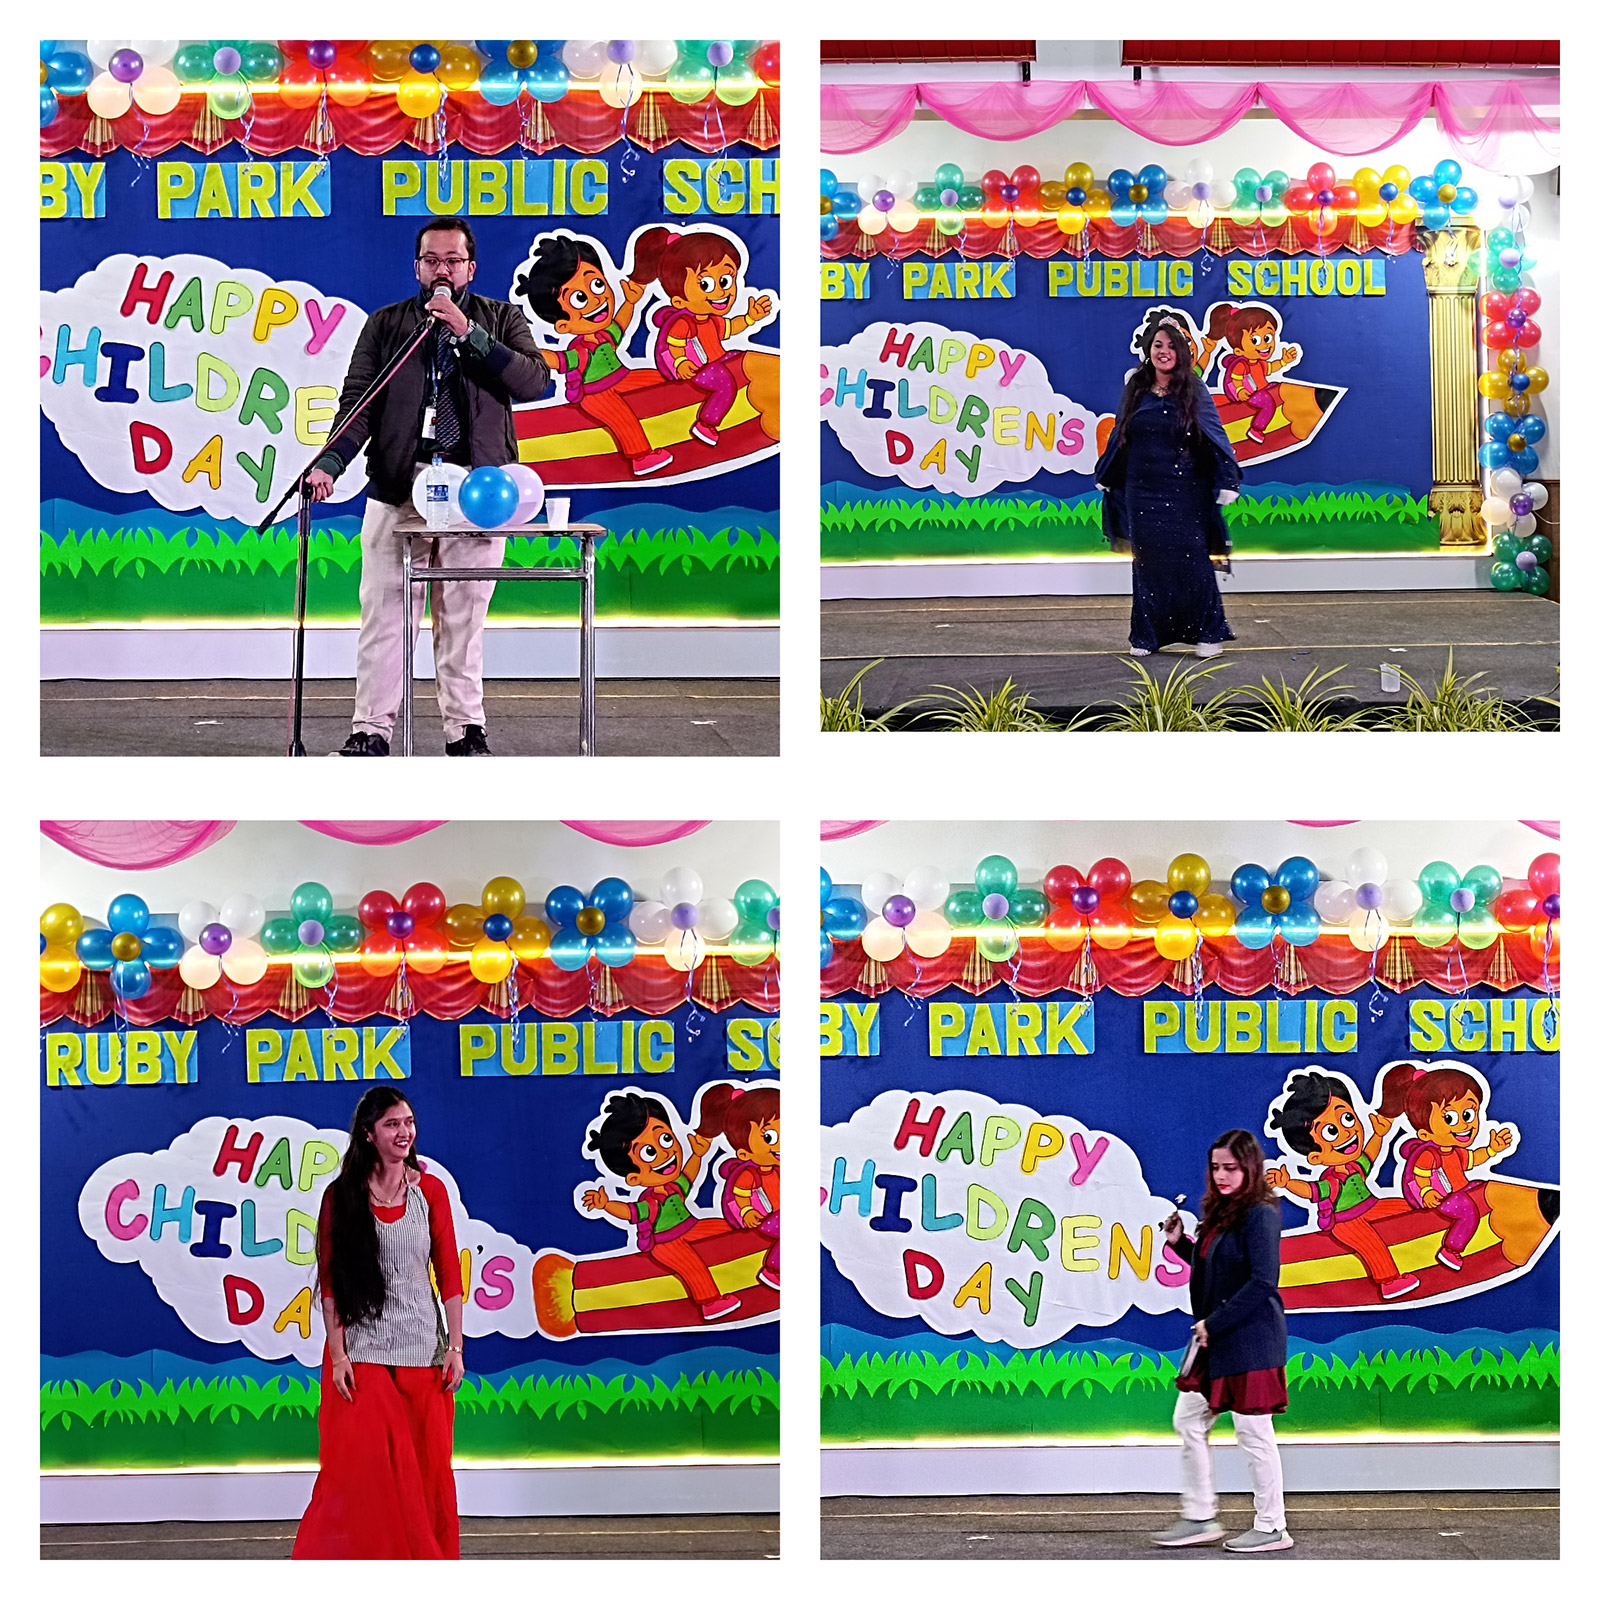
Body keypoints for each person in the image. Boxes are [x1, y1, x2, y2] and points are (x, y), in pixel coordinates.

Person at [306, 217, 550, 757]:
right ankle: (371, 730)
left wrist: (468, 333)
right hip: (400, 485)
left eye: (452, 261)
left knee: (463, 618)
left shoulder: (501, 319)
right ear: (417, 267)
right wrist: (331, 462)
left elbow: (535, 381)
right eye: (432, 260)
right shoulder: (387, 324)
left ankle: (465, 731)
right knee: (385, 615)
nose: (442, 270)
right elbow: (359, 401)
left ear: (471, 268)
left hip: (477, 489)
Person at [293, 1088, 464, 1559]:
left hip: (423, 1351)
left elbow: (449, 1275)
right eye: (392, 1124)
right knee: (367, 1468)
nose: (404, 1132)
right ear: (368, 1134)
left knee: (426, 1470)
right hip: (362, 1351)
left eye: (408, 1122)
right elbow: (330, 1283)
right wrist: (338, 1355)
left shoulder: (430, 1192)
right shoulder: (340, 1197)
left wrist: (455, 1348)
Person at [1153, 1129, 1293, 1554]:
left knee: (1253, 1431)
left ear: (1250, 1167)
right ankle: (1200, 1516)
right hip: (1216, 1339)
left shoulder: (1260, 1214)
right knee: (1189, 1418)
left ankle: (1272, 1526)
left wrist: (1213, 1324)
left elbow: (1263, 1282)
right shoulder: (1220, 1211)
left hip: (1250, 1341)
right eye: (1215, 1167)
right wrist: (1180, 1244)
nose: (1221, 1175)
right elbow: (1213, 1264)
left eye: (1230, 1168)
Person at [1093, 317, 1242, 658]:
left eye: (1171, 345)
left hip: (1186, 490)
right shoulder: (1136, 386)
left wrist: (1228, 479)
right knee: (1147, 564)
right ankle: (1146, 636)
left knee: (1193, 561)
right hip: (1141, 490)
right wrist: (1107, 472)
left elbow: (1215, 434)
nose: (1164, 351)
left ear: (1182, 351)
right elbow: (1121, 432)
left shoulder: (1194, 388)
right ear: (1149, 350)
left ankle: (1209, 632)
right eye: (1158, 345)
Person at [514, 232, 675, 477]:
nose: (596, 299)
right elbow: (559, 361)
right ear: (563, 326)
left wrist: (630, 302)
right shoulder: (581, 350)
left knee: (661, 378)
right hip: (594, 393)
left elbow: (621, 324)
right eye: (579, 299)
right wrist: (528, 350)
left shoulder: (605, 336)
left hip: (622, 377)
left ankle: (682, 411)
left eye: (597, 284)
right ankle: (640, 456)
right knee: (620, 415)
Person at [580, 1091, 743, 1320]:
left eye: (665, 1139)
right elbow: (630, 1212)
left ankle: (752, 1257)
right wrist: (606, 1205)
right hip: (665, 1242)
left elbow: (689, 1176)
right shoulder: (651, 1201)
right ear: (634, 1178)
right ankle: (710, 1302)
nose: (665, 1153)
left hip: (691, 1226)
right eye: (649, 1153)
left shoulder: (674, 1187)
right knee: (690, 1264)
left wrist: (697, 1155)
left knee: (727, 1227)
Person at [629, 226, 774, 445]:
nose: (722, 292)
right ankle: (706, 423)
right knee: (725, 383)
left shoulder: (711, 319)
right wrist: (681, 363)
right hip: (697, 368)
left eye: (726, 280)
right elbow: (674, 346)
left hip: (716, 360)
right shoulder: (683, 322)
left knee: (739, 356)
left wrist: (750, 317)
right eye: (706, 284)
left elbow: (730, 328)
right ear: (679, 301)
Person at [695, 1082, 781, 1289]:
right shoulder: (750, 1174)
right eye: (770, 1138)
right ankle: (773, 1270)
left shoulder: (779, 1167)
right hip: (764, 1220)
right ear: (744, 1154)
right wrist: (747, 1212)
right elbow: (741, 1197)